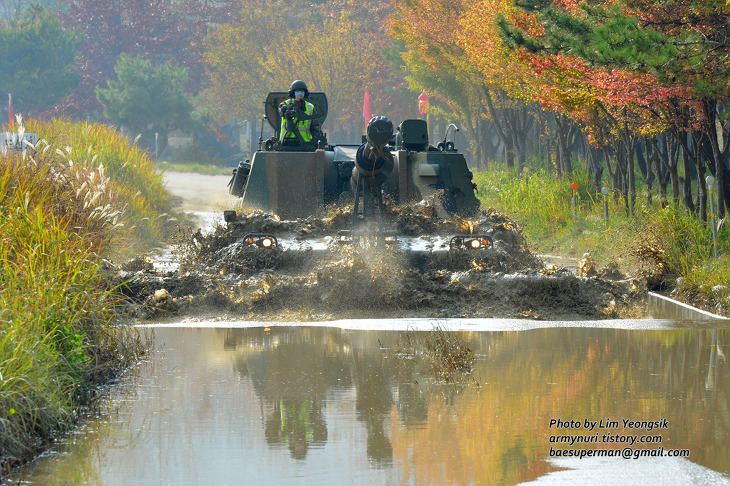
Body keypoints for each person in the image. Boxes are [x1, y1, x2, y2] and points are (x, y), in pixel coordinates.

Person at [278, 80, 321, 145]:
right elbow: (284, 113)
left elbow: (315, 127)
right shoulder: (284, 104)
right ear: (292, 93)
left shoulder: (310, 107)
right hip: (286, 142)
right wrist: (295, 102)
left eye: (302, 91)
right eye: (297, 91)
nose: (300, 93)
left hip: (304, 143)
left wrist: (318, 141)